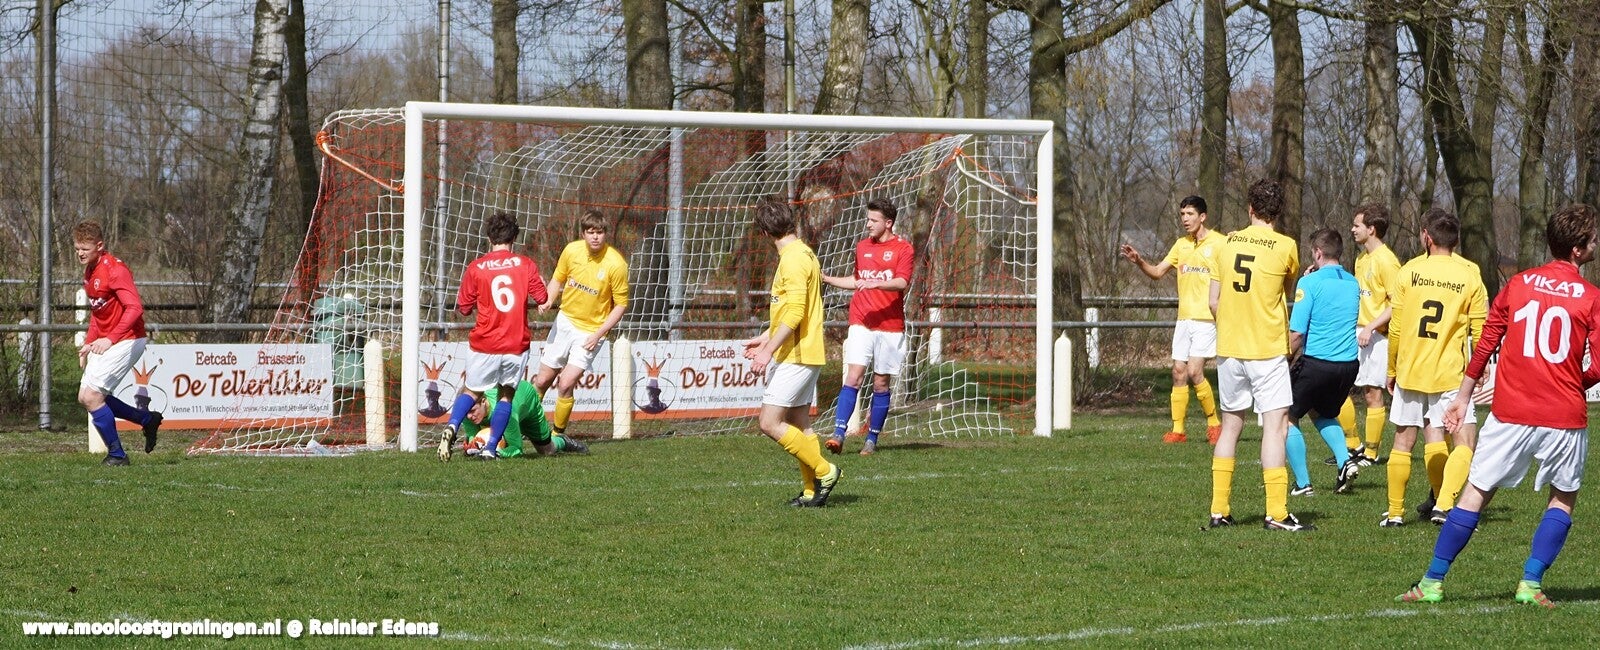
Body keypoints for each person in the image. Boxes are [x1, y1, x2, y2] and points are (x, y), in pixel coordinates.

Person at [1395, 204, 1600, 608]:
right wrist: (1572, 384)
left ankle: (1432, 582)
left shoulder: (1519, 283)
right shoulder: (1592, 297)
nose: (1596, 244)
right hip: (1563, 414)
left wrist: (1463, 396)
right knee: (1562, 497)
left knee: (1475, 492)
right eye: (1593, 239)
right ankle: (1530, 584)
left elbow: (1487, 339)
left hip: (1510, 412)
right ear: (1577, 250)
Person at [1206, 178, 1309, 531]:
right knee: (1275, 428)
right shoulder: (1286, 246)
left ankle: (1219, 510)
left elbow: (1213, 302)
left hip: (1229, 347)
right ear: (1277, 213)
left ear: (1250, 208)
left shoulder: (1225, 243)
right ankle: (1276, 513)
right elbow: (1283, 290)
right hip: (1265, 347)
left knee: (1230, 428)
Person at [1381, 209, 1487, 525]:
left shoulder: (1409, 271)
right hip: (1450, 372)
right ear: (1455, 239)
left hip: (1410, 369)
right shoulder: (1469, 274)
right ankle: (1443, 504)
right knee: (1464, 441)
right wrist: (1480, 367)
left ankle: (1395, 513)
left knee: (1403, 441)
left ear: (1427, 236)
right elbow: (1481, 330)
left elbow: (1396, 327)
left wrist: (1392, 368)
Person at [744, 197, 842, 507]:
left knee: (769, 422)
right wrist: (765, 339)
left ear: (763, 232)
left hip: (798, 355)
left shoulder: (793, 259)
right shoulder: (803, 253)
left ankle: (825, 471)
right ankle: (812, 491)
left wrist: (767, 352)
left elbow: (797, 311)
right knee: (800, 422)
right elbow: (788, 310)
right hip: (802, 352)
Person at [437, 211, 547, 462]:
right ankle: (490, 448)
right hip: (515, 341)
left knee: (472, 391)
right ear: (514, 238)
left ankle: (452, 425)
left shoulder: (476, 267)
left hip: (484, 342)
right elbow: (542, 298)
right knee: (506, 395)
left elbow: (464, 308)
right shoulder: (525, 264)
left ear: (489, 238)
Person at [1119, 195, 1224, 444]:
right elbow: (1157, 272)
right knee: (1178, 371)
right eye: (1182, 214)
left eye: (1190, 214)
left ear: (1202, 216)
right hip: (1184, 319)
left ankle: (1214, 425)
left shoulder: (1220, 243)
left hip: (1207, 319)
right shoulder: (1181, 245)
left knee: (1195, 371)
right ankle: (1178, 431)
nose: (1185, 219)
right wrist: (1139, 261)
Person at [821, 198, 914, 456]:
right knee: (854, 376)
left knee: (881, 383)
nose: (868, 224)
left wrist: (876, 284)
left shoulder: (903, 248)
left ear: (888, 223)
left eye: (873, 220)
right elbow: (857, 280)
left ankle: (871, 439)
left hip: (890, 325)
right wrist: (827, 279)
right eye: (867, 219)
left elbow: (902, 282)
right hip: (861, 320)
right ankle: (838, 434)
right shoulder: (862, 247)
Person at [533, 209, 629, 440]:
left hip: (591, 332)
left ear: (605, 234)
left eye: (599, 232)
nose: (595, 237)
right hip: (565, 322)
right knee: (542, 380)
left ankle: (557, 435)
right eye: (590, 232)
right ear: (583, 233)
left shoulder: (616, 264)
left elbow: (620, 305)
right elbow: (558, 279)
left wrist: (599, 334)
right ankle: (527, 424)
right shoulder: (571, 251)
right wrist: (548, 300)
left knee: (566, 383)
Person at [73, 221, 162, 466]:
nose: (80, 253)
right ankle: (146, 420)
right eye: (77, 248)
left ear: (99, 246)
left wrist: (110, 338)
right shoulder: (90, 271)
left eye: (85, 248)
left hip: (128, 339)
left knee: (93, 396)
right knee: (85, 397)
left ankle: (117, 455)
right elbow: (98, 313)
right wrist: (89, 342)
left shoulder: (115, 270)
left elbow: (134, 308)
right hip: (106, 341)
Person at [1283, 228, 1362, 496]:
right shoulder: (1353, 282)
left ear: (1317, 253)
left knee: (1286, 416)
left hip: (1318, 363)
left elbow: (1297, 333)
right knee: (1322, 412)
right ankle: (1344, 461)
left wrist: (1284, 359)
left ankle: (1303, 484)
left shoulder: (1309, 284)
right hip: (1348, 365)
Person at [1335, 204, 1401, 466]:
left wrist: (1371, 326)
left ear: (1371, 229)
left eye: (1357, 225)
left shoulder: (1387, 261)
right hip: (1356, 331)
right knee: (1339, 388)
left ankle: (1371, 453)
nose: (1352, 229)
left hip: (1376, 336)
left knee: (1373, 393)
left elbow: (1397, 304)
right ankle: (1353, 446)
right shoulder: (1362, 258)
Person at [457, 380, 588, 458]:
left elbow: (517, 449)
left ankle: (562, 441)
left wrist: (497, 453)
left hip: (528, 403)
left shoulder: (505, 412)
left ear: (483, 401)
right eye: (466, 412)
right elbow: (474, 438)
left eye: (472, 411)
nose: (469, 416)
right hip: (513, 411)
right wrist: (472, 447)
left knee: (547, 451)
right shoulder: (467, 412)